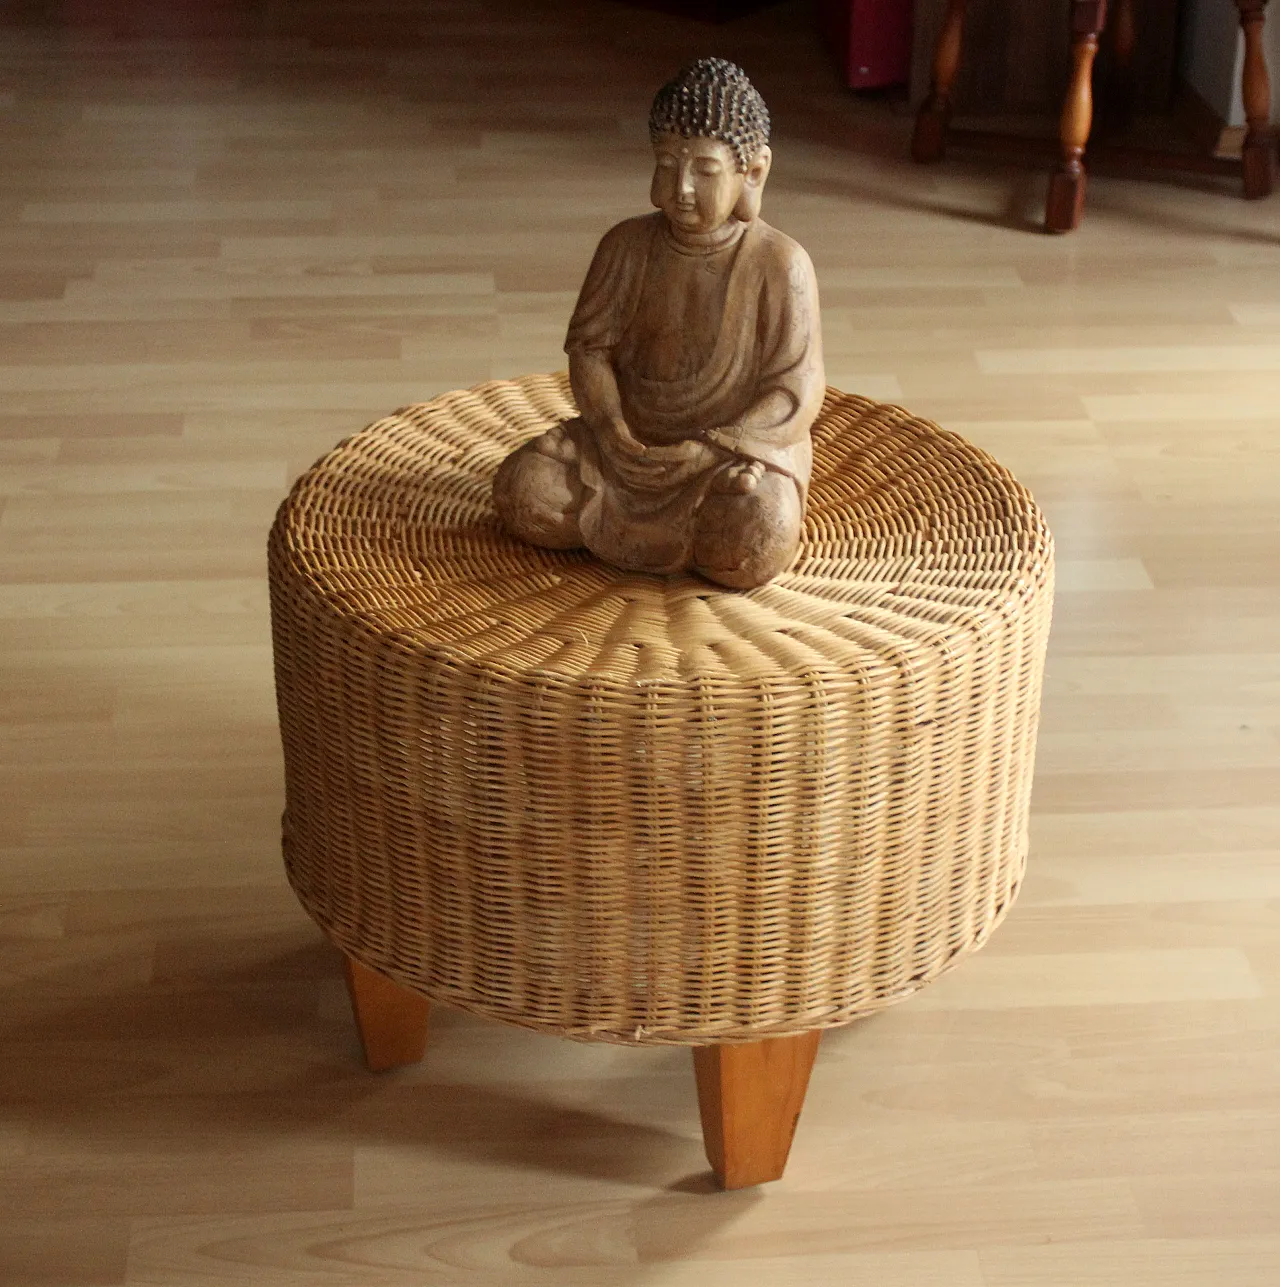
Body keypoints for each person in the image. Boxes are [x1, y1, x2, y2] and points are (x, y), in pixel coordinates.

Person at [493, 57, 824, 589]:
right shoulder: (625, 246)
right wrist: (609, 427)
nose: (682, 187)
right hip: (627, 450)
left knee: (759, 530)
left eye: (705, 171)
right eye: (666, 164)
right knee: (525, 489)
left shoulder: (780, 265)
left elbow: (795, 389)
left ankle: (708, 526)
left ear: (753, 172)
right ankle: (650, 523)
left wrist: (721, 446)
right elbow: (591, 352)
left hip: (727, 457)